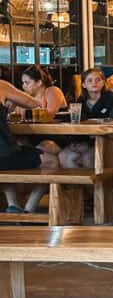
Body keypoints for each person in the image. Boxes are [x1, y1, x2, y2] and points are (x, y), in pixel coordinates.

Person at [0, 78, 60, 214]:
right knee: (51, 161)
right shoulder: (1, 85)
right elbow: (33, 103)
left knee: (11, 158)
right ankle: (29, 209)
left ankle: (13, 204)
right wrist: (11, 99)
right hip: (4, 156)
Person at [57, 67, 113, 170]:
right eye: (89, 80)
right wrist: (75, 142)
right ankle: (77, 185)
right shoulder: (80, 101)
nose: (94, 83)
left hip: (107, 142)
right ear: (84, 85)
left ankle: (94, 185)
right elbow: (76, 123)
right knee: (64, 156)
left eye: (98, 80)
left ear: (103, 82)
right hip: (84, 141)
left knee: (88, 158)